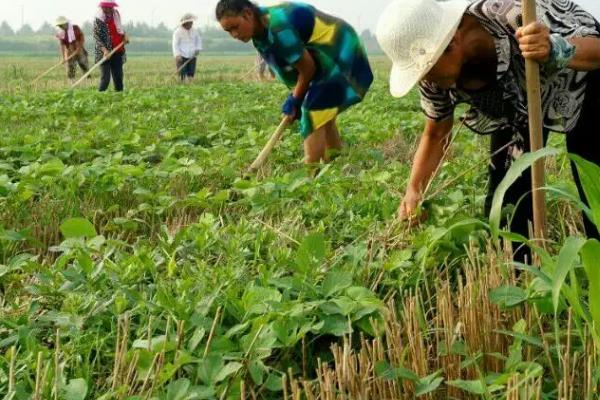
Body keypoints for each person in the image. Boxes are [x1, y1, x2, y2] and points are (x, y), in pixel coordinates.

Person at [376, 0, 600, 260]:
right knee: (507, 192)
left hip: (586, 75)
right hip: (517, 101)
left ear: (451, 43)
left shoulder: (516, 17)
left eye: (426, 69)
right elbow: (436, 133)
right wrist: (414, 189)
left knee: (592, 174)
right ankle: (519, 275)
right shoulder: (433, 79)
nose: (424, 79)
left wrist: (553, 48)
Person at [216, 0, 374, 164]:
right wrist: (298, 94)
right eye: (229, 31)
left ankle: (312, 174)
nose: (234, 35)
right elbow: (292, 65)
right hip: (320, 55)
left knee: (313, 111)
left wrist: (296, 99)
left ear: (248, 14)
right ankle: (334, 165)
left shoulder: (278, 28)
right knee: (323, 114)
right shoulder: (259, 31)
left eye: (235, 27)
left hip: (340, 50)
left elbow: (307, 69)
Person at [93, 0, 129, 92]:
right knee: (105, 79)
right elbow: (96, 37)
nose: (105, 9)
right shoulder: (98, 18)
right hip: (104, 52)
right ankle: (99, 98)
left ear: (112, 7)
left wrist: (125, 36)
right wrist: (105, 50)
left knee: (118, 78)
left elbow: (120, 29)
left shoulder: (116, 14)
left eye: (107, 7)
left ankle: (119, 98)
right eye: (103, 7)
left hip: (117, 49)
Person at [55, 16, 89, 82]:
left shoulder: (75, 28)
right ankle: (71, 82)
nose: (60, 27)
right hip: (69, 51)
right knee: (70, 68)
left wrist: (79, 48)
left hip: (79, 50)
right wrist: (63, 58)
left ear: (66, 23)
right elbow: (62, 45)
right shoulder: (61, 33)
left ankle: (88, 81)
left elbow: (81, 38)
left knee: (84, 65)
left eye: (61, 25)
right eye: (59, 26)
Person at [172, 13, 203, 82]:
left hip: (192, 55)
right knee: (182, 72)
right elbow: (175, 44)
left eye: (192, 23)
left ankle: (190, 82)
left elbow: (198, 40)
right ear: (185, 23)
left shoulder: (195, 31)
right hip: (182, 55)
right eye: (190, 23)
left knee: (191, 71)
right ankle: (182, 83)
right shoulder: (177, 32)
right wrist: (177, 55)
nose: (191, 24)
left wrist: (198, 49)